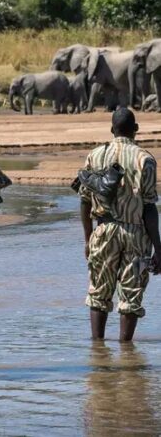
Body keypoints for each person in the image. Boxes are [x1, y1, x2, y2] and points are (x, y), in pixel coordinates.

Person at [80, 108, 161, 341]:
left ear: (111, 130)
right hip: (136, 232)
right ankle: (127, 351)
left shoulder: (95, 156)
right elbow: (148, 207)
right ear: (135, 130)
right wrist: (159, 247)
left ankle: (98, 351)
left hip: (103, 229)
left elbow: (84, 202)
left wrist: (88, 239)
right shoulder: (145, 159)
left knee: (98, 292)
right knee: (131, 294)